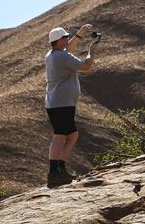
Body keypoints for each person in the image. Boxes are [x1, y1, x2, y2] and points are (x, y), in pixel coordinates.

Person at [45, 24, 98, 188]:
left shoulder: (53, 54)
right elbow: (86, 66)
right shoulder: (62, 57)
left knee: (72, 135)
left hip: (59, 103)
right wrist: (92, 49)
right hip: (61, 104)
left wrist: (79, 36)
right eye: (65, 37)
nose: (68, 39)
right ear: (60, 41)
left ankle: (60, 168)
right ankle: (53, 172)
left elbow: (68, 49)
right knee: (59, 137)